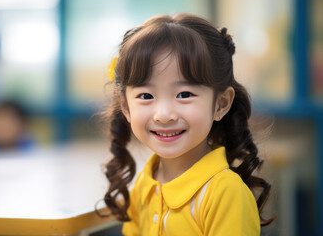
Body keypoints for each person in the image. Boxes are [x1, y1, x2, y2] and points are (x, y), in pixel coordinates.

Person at [102, 13, 273, 235]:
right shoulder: (145, 185)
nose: (164, 115)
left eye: (184, 94)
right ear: (125, 106)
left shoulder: (224, 193)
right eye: (146, 96)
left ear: (221, 104)